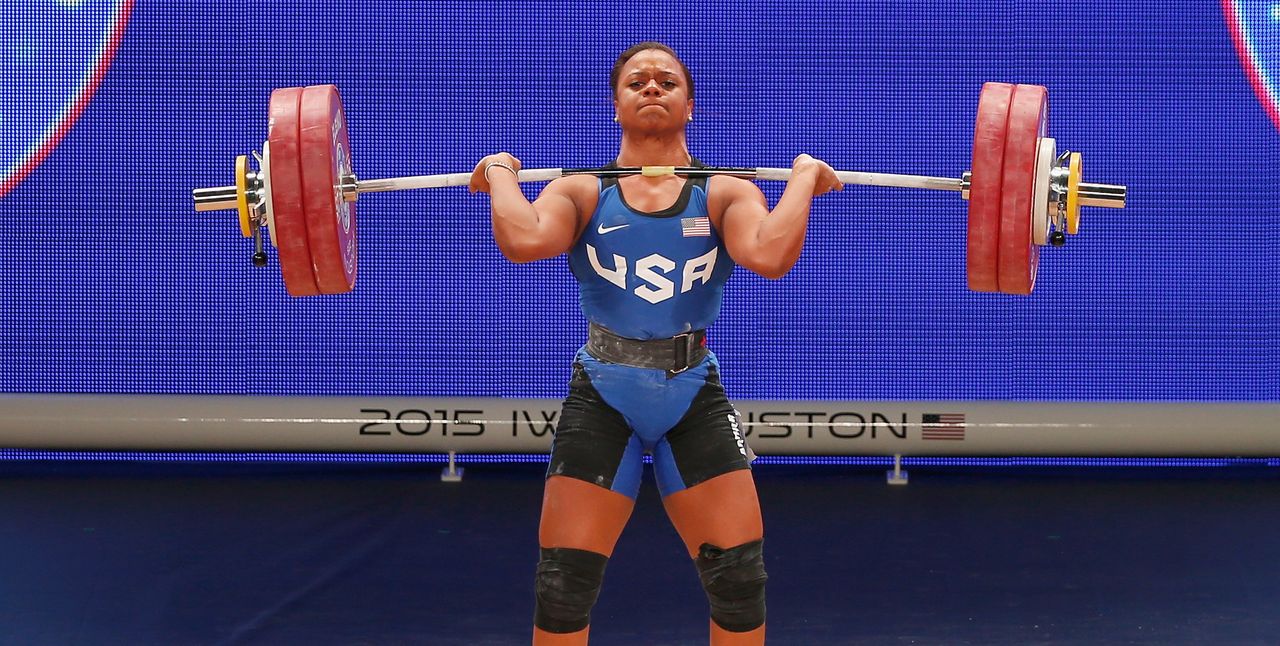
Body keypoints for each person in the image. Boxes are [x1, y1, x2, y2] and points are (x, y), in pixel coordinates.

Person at [470, 41, 842, 646]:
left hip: (692, 395)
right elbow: (525, 241)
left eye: (666, 81)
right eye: (636, 81)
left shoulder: (723, 191)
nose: (650, 88)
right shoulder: (582, 190)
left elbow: (769, 255)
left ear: (688, 106)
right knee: (564, 589)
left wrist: (801, 179)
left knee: (739, 584)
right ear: (616, 105)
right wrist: (504, 172)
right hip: (602, 394)